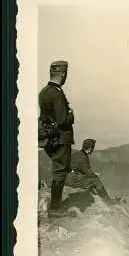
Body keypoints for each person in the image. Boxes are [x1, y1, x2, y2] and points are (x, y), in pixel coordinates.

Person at [38, 60, 74, 217]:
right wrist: (71, 115)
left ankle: (55, 205)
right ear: (63, 74)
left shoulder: (44, 91)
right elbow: (61, 119)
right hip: (60, 138)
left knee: (57, 170)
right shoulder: (57, 93)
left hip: (48, 138)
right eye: (65, 74)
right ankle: (56, 208)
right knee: (60, 171)